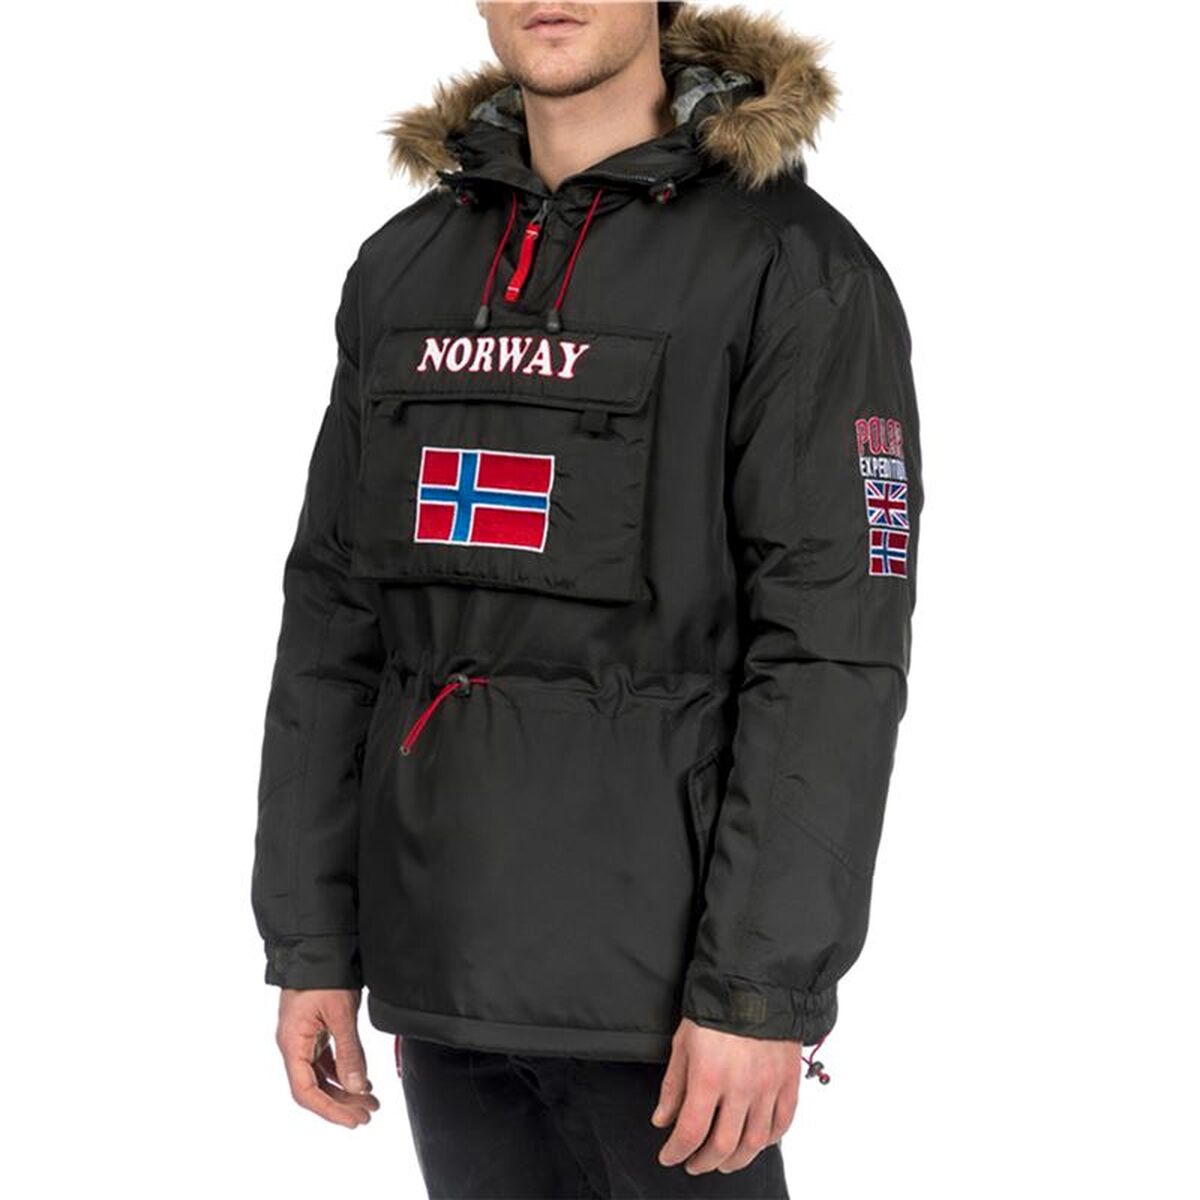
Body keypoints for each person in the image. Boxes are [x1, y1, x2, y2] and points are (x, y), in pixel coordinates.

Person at [251, 1, 923, 1195]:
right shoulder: (403, 265)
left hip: (670, 1006)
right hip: (442, 974)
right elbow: (335, 621)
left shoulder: (792, 269)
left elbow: (832, 652)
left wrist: (760, 989)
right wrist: (311, 942)